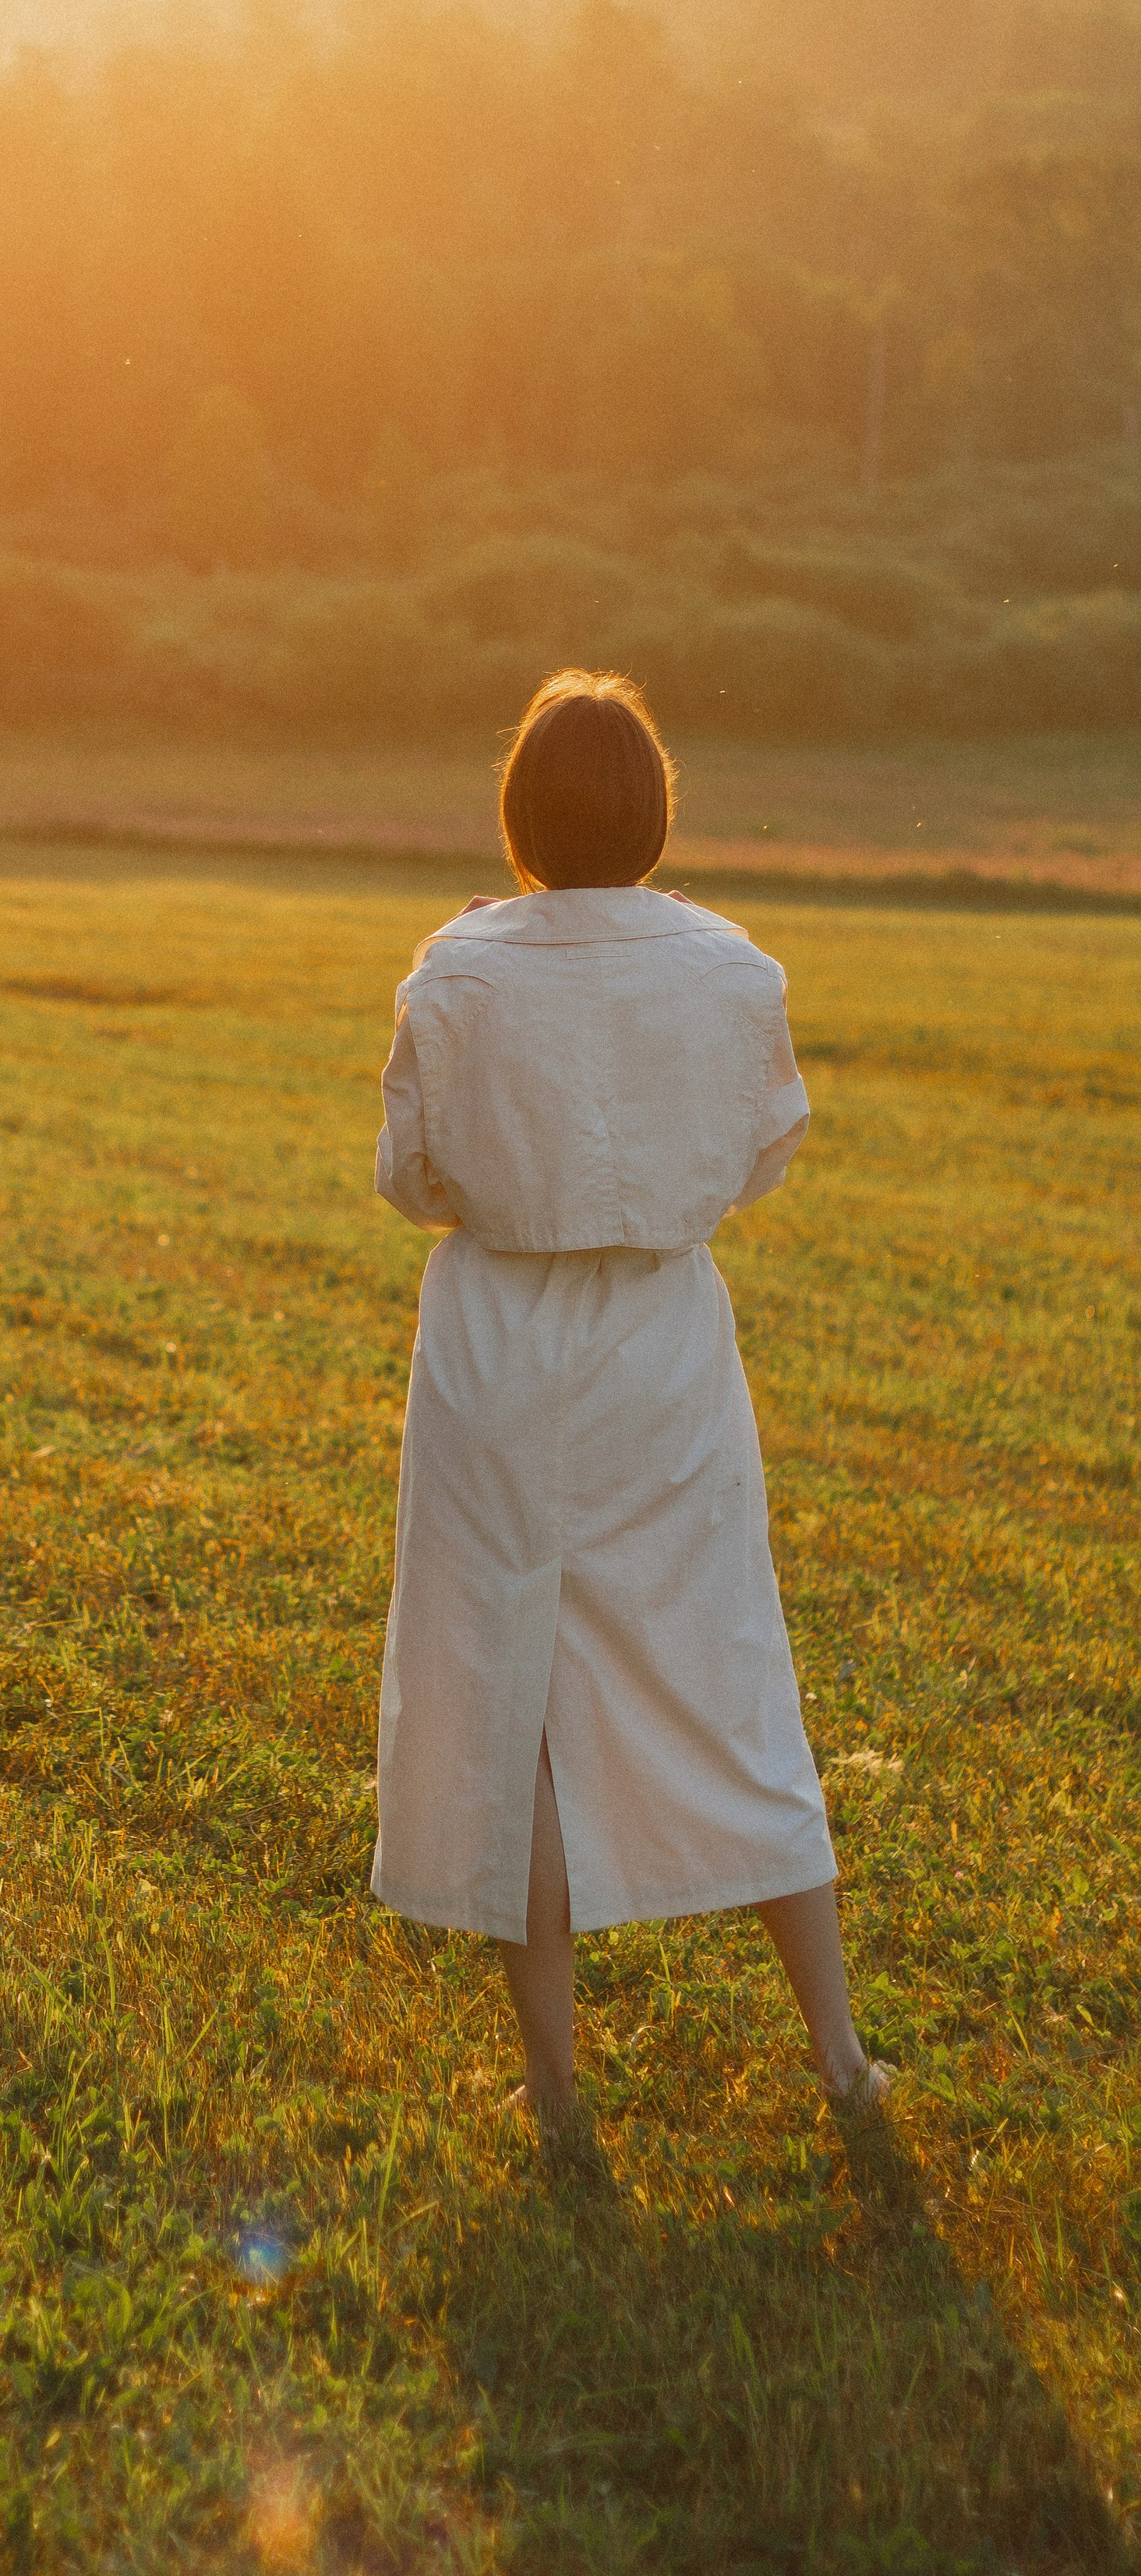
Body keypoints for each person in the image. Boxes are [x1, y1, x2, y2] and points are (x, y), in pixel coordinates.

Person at [370, 669, 889, 2128]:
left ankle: (555, 2089)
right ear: (656, 811)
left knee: (516, 1698)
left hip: (498, 1351)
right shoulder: (734, 967)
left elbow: (413, 1179)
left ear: (519, 816)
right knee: (728, 1662)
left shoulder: (457, 974)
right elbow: (763, 1152)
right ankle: (841, 2061)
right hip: (663, 1347)